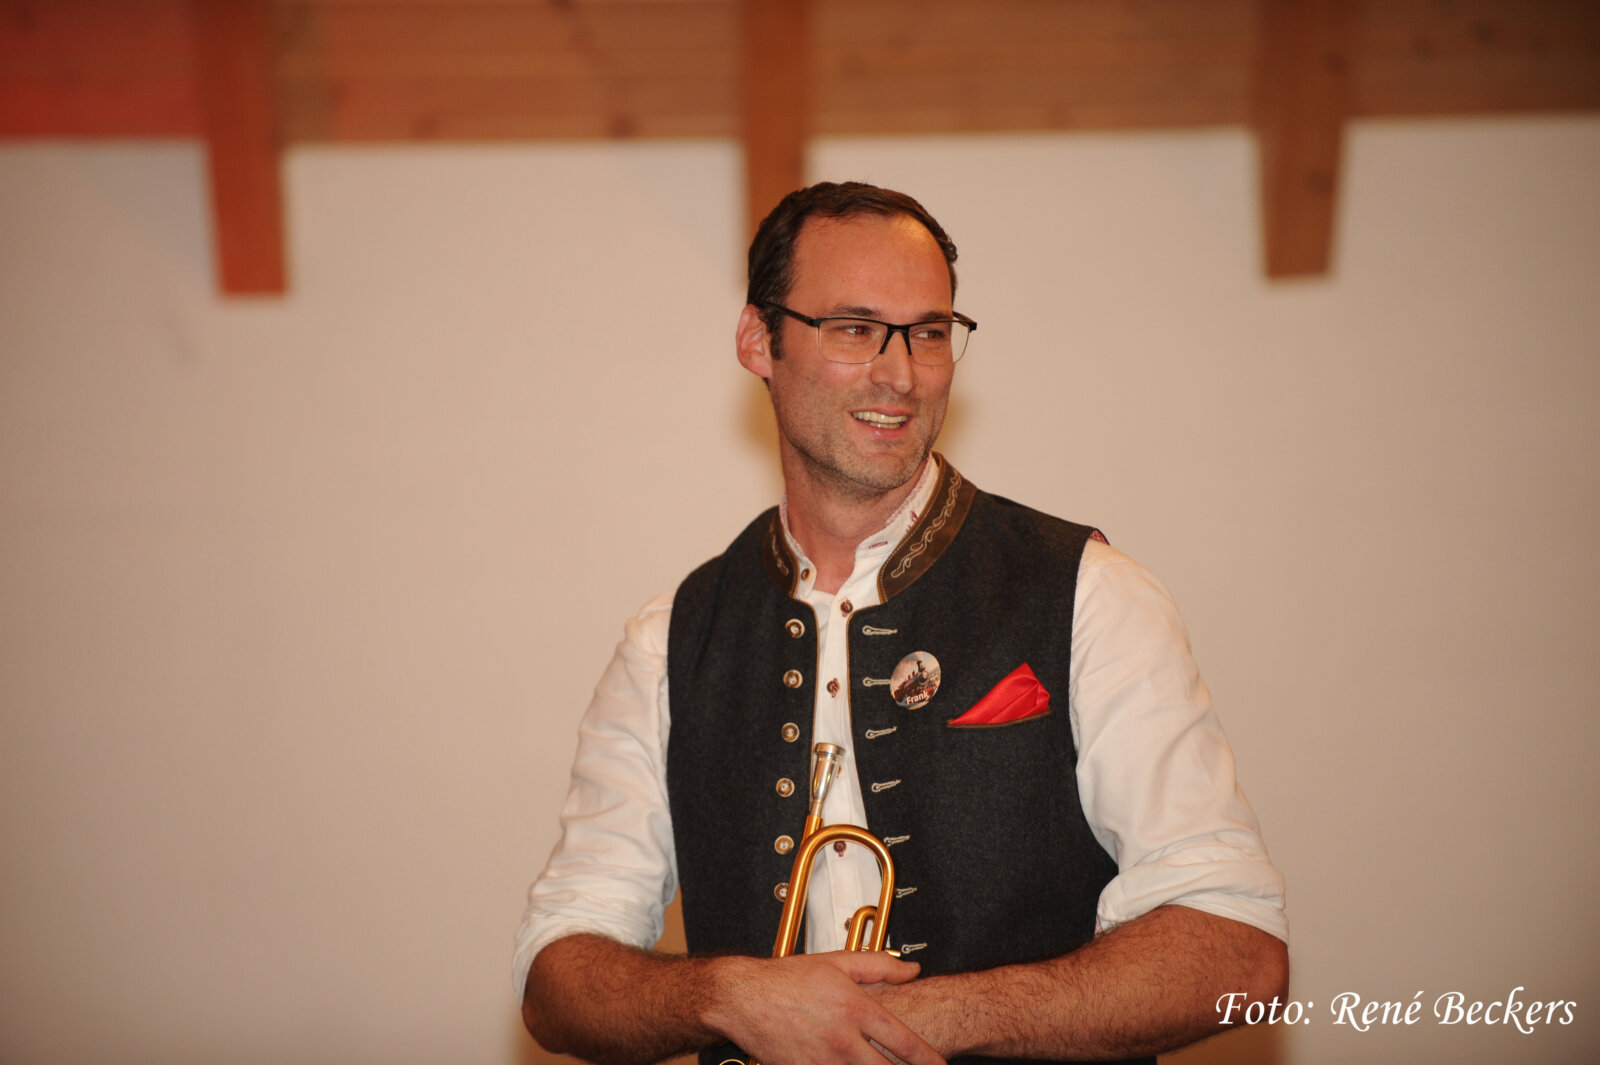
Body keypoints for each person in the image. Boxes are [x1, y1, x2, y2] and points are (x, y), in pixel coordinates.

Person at [514, 181, 1288, 1065]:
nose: (901, 373)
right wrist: (730, 996)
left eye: (928, 332)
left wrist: (911, 1021)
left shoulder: (1092, 594)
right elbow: (557, 974)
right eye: (854, 328)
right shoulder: (668, 641)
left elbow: (1239, 950)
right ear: (758, 339)